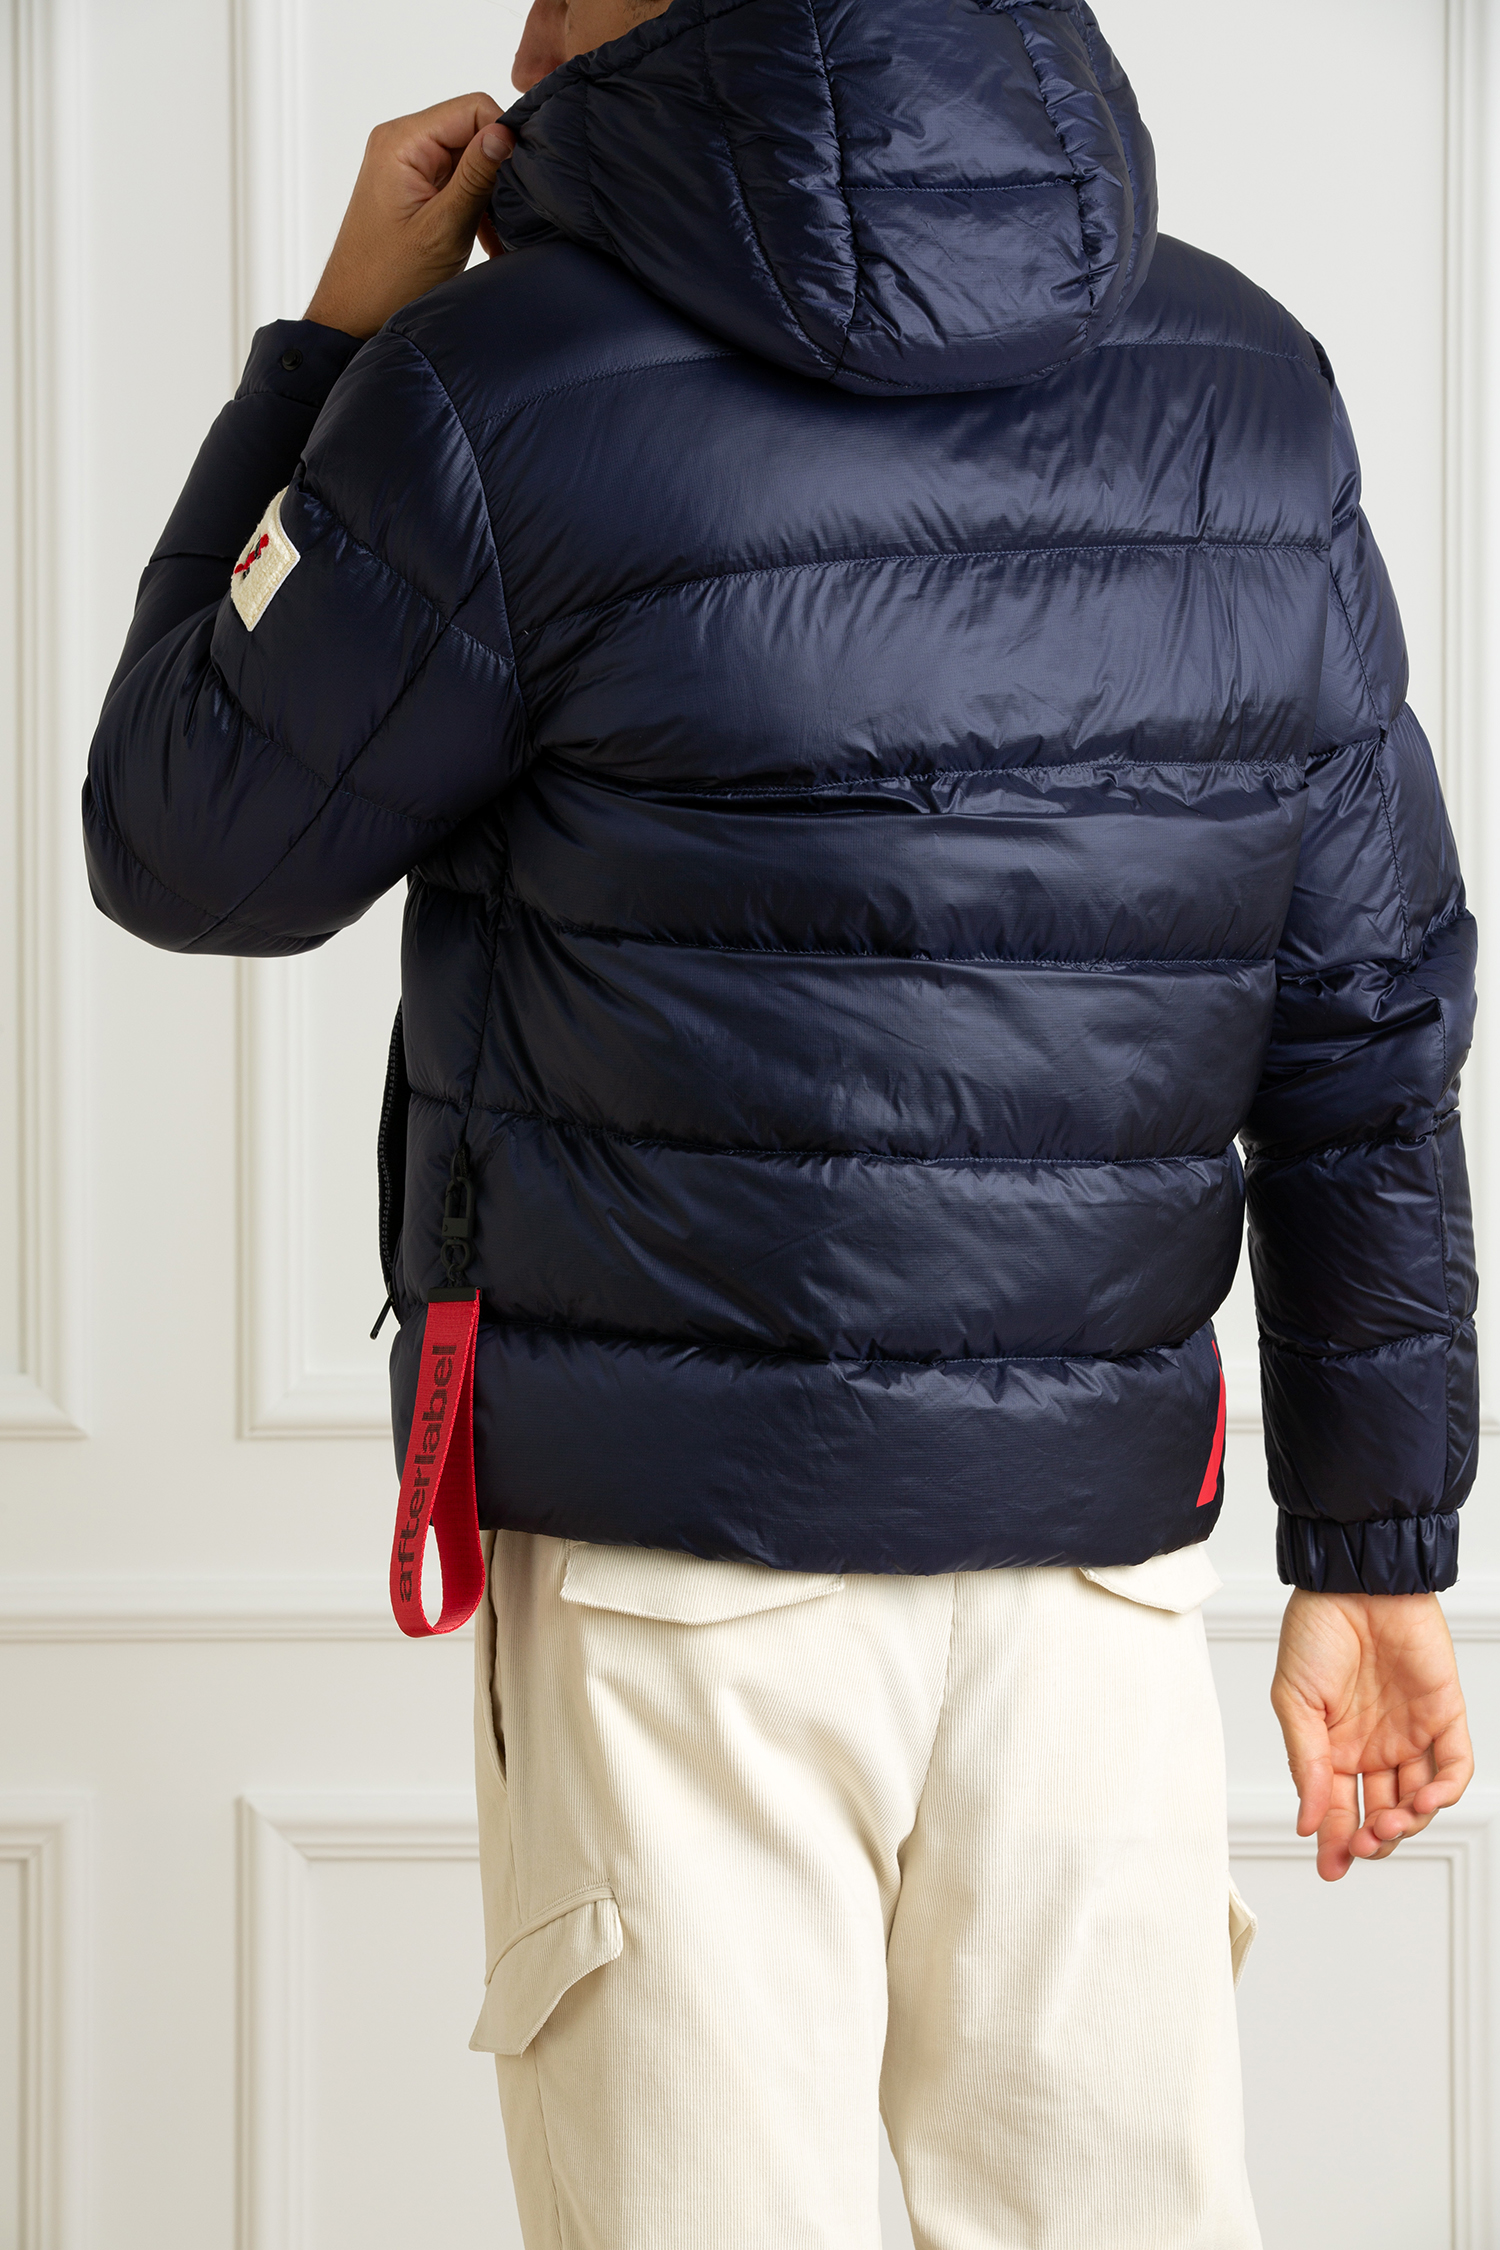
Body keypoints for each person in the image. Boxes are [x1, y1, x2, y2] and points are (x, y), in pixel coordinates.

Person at [84, 0, 1477, 2241]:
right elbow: (1367, 1028)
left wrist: (329, 354)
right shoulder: (1250, 393)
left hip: (675, 1590)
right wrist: (1376, 1549)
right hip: (1094, 1594)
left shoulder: (488, 392)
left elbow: (185, 838)